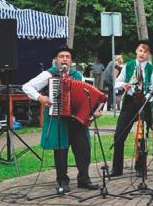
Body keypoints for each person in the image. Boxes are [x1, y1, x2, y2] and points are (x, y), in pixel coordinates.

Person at [22, 44, 100, 193]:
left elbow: (86, 96)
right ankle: (62, 181)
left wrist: (92, 111)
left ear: (71, 60)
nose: (64, 59)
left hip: (77, 119)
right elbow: (27, 87)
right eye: (61, 57)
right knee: (61, 150)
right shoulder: (49, 75)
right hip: (59, 118)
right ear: (56, 59)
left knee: (83, 148)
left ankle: (84, 179)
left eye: (67, 57)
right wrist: (40, 97)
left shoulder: (78, 76)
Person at [109, 40, 153, 178]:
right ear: (136, 51)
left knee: (143, 136)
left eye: (145, 51)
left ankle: (140, 167)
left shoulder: (151, 69)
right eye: (140, 50)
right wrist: (124, 84)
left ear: (148, 54)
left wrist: (146, 97)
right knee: (119, 134)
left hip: (145, 103)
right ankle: (116, 168)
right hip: (130, 102)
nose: (142, 54)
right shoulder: (128, 66)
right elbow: (116, 83)